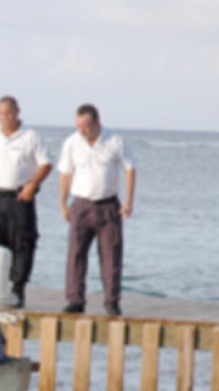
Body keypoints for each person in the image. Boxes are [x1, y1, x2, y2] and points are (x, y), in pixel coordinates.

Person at [0, 95, 52, 308]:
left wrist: (33, 184)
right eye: (1, 114)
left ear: (17, 112)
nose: (5, 118)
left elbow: (46, 164)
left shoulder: (31, 136)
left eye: (9, 113)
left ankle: (18, 286)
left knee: (23, 242)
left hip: (20, 197)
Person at [57, 103, 137, 316]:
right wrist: (63, 203)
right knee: (76, 254)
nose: (82, 130)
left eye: (86, 126)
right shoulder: (72, 143)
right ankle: (75, 299)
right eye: (79, 126)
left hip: (108, 205)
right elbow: (65, 174)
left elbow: (130, 168)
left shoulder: (115, 140)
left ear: (97, 122)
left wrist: (129, 200)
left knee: (111, 255)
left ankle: (112, 301)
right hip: (81, 204)